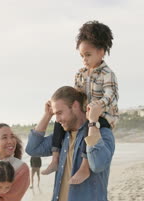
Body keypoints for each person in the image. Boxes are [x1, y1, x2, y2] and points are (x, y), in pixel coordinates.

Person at [26, 86, 115, 201]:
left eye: (60, 113)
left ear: (75, 106)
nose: (57, 119)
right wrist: (47, 115)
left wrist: (92, 123)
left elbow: (97, 163)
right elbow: (32, 148)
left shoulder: (103, 134)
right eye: (54, 114)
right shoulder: (63, 138)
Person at [41, 21, 119, 186]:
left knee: (89, 127)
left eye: (88, 55)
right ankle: (55, 158)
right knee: (59, 121)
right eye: (82, 56)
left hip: (103, 115)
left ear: (101, 52)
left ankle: (85, 166)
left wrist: (98, 106)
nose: (84, 59)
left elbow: (111, 96)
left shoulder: (108, 74)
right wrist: (60, 104)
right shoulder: (80, 74)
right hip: (85, 111)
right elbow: (74, 95)